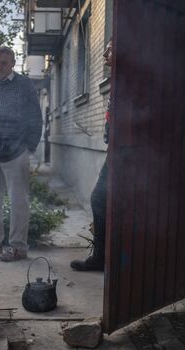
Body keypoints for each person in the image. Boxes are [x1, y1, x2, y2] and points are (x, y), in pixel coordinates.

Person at [0, 45, 43, 262]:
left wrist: (29, 146)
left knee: (19, 202)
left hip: (16, 153)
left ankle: (17, 248)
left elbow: (35, 116)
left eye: (3, 62)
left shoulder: (24, 85)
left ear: (13, 63)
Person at [70, 39, 113, 271]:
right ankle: (104, 256)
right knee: (103, 200)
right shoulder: (119, 79)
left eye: (109, 48)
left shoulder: (129, 79)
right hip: (116, 152)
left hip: (125, 155)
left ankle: (103, 258)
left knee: (100, 198)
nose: (105, 53)